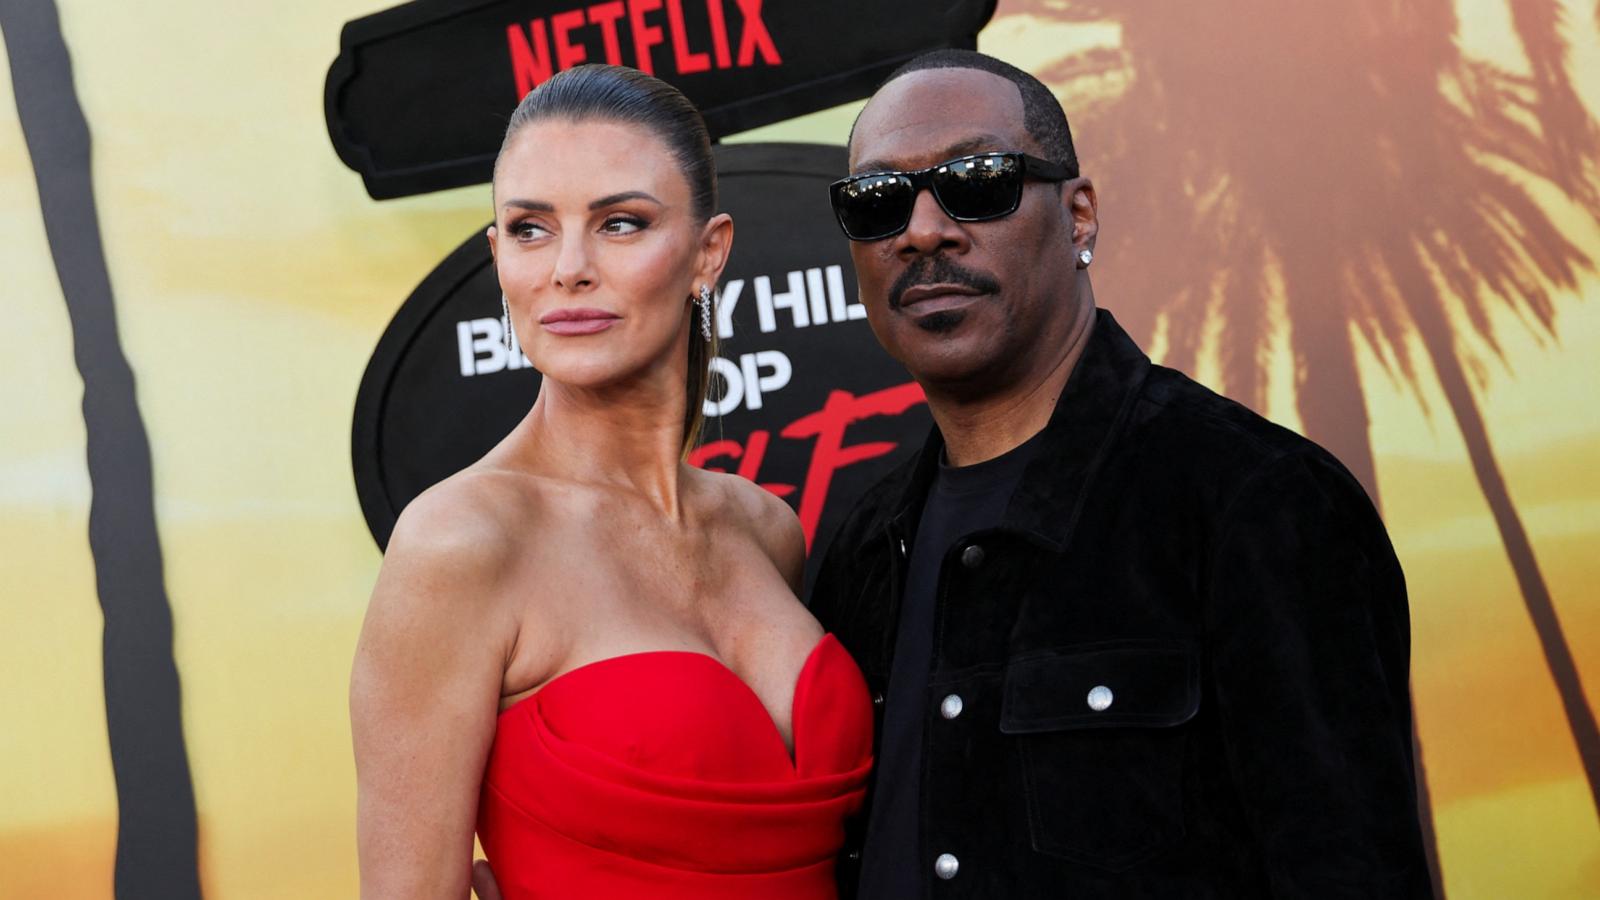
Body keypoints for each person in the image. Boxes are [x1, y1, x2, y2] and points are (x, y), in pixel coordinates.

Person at [808, 49, 1433, 897]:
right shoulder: (859, 548)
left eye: (979, 180)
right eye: (879, 202)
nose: (923, 230)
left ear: (1079, 217)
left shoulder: (1258, 505)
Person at [350, 65, 872, 900]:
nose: (569, 268)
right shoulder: (462, 540)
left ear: (709, 253)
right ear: (498, 258)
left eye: (620, 223)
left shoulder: (766, 529)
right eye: (529, 229)